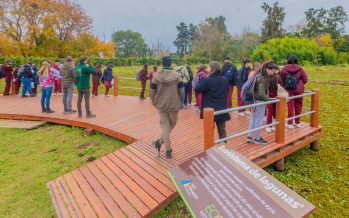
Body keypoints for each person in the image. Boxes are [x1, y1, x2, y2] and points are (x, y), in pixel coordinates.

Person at [150, 56, 184, 159]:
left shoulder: (156, 76)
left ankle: (159, 142)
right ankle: (168, 150)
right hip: (174, 104)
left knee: (166, 126)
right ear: (171, 64)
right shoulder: (177, 76)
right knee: (171, 124)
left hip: (160, 104)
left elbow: (152, 91)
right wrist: (181, 102)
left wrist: (154, 101)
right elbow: (181, 91)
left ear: (162, 63)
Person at [195, 61, 230, 140]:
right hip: (222, 109)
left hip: (209, 110)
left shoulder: (207, 80)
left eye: (208, 67)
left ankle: (210, 149)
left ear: (212, 69)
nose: (207, 68)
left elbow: (197, 88)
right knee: (222, 131)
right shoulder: (224, 80)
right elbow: (227, 91)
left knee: (209, 131)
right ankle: (223, 148)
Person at [247, 61, 278, 145]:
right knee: (258, 120)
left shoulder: (258, 74)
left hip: (254, 100)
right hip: (259, 101)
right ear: (267, 69)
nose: (273, 72)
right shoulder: (263, 78)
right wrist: (269, 100)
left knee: (253, 118)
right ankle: (257, 138)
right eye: (272, 70)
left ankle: (249, 136)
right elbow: (261, 93)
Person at [281, 55, 308, 129]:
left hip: (289, 90)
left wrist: (285, 86)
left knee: (290, 106)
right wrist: (300, 84)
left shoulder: (284, 69)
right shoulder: (300, 69)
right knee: (298, 106)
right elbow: (305, 79)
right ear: (296, 60)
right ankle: (297, 122)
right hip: (299, 90)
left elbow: (281, 79)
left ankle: (289, 123)